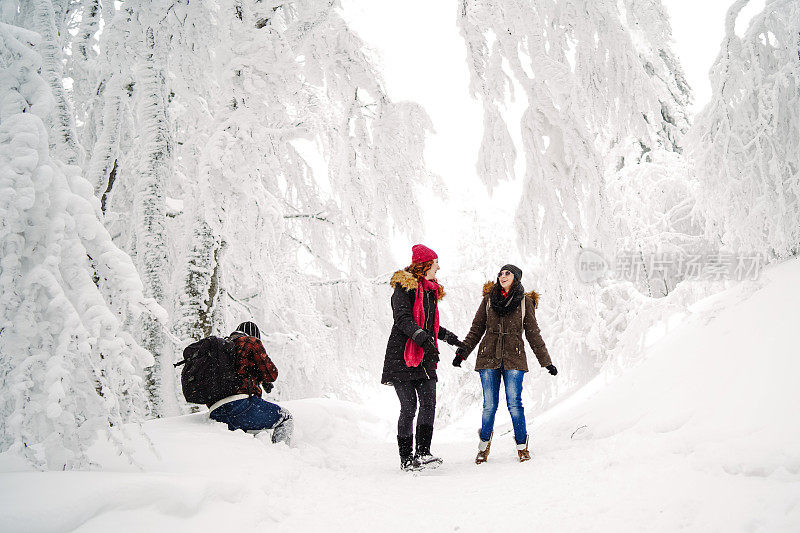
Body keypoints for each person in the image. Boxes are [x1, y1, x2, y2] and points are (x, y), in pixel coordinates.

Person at [453, 264, 557, 464]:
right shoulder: (489, 300)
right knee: (489, 405)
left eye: (507, 273)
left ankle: (522, 446)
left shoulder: (525, 302)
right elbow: (476, 329)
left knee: (514, 404)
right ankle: (483, 446)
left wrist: (546, 362)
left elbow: (534, 335)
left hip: (514, 358)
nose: (502, 276)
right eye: (500, 273)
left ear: (516, 277)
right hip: (488, 357)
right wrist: (462, 353)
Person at [381, 244, 464, 471]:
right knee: (409, 407)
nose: (439, 266)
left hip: (425, 356)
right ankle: (406, 458)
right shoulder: (404, 287)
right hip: (402, 355)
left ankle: (423, 453)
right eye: (436, 262)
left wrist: (450, 338)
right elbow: (403, 319)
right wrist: (423, 340)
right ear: (426, 264)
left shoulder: (430, 290)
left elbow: (430, 324)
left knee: (429, 403)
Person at [208, 321, 294, 445]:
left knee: (250, 435)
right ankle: (282, 455)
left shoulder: (222, 350)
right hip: (241, 407)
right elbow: (272, 374)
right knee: (285, 418)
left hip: (216, 412)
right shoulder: (250, 342)